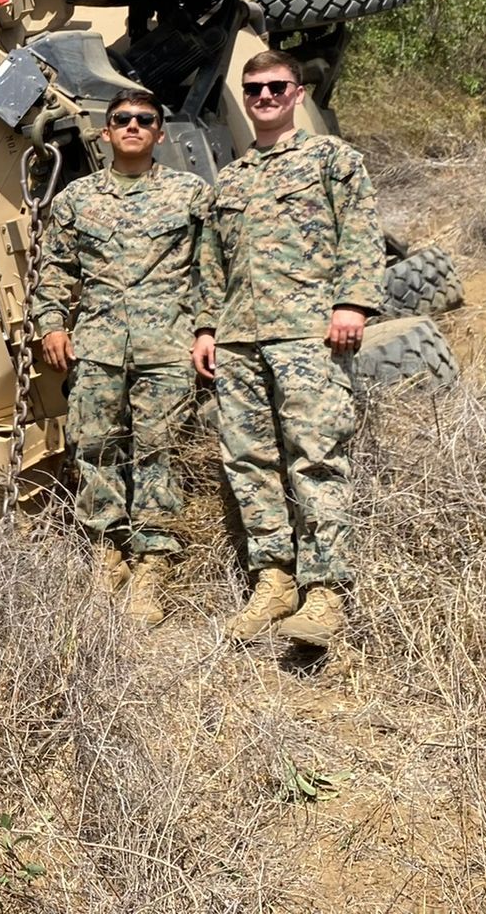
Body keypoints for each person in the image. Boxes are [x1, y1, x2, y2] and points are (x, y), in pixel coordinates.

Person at [192, 48, 384, 649]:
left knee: (317, 455)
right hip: (240, 340)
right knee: (247, 463)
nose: (265, 98)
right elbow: (210, 263)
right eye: (254, 89)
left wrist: (352, 303)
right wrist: (205, 328)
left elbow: (361, 231)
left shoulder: (332, 160)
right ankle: (273, 581)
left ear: (298, 93)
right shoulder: (230, 178)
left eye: (277, 87)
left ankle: (325, 592)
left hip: (308, 334)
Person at [31, 91, 212, 626]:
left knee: (157, 449)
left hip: (166, 347)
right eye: (122, 120)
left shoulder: (189, 195)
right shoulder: (75, 200)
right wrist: (52, 325)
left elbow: (212, 268)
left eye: (145, 120)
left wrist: (206, 330)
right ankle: (105, 554)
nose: (133, 126)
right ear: (106, 133)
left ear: (160, 133)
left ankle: (152, 564)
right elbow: (54, 269)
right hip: (99, 347)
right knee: (95, 446)